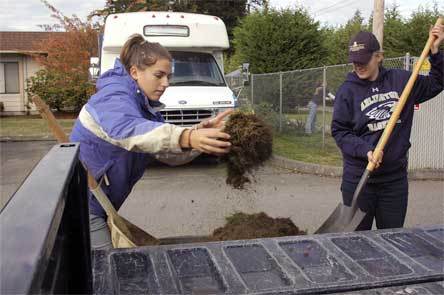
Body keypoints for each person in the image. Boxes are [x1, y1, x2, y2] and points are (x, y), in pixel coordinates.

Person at [70, 34, 232, 249]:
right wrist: (186, 137)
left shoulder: (145, 110)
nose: (166, 83)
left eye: (168, 76)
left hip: (103, 205)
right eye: (159, 75)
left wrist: (197, 138)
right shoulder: (113, 96)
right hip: (82, 203)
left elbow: (167, 154)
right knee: (103, 268)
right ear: (135, 72)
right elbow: (126, 130)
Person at [331, 25, 444, 231]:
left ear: (379, 56)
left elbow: (438, 82)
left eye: (363, 60)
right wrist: (365, 150)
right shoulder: (347, 91)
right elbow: (340, 131)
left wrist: (435, 52)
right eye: (354, 60)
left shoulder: (402, 81)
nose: (358, 65)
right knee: (356, 245)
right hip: (359, 180)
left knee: (391, 242)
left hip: (393, 182)